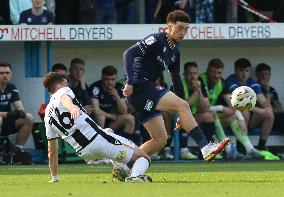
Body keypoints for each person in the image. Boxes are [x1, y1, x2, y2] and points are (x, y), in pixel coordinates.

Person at [122, 10, 229, 162]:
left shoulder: (175, 52)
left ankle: (124, 165)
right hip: (141, 85)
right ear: (169, 26)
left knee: (160, 140)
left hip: (146, 93)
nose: (183, 32)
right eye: (180, 28)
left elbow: (176, 79)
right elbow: (129, 54)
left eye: (186, 29)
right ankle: (206, 148)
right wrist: (130, 82)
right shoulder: (157, 39)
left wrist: (182, 111)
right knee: (181, 105)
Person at [43, 72, 152, 183]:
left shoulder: (47, 115)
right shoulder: (63, 91)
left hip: (84, 152)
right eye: (65, 83)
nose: (67, 85)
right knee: (143, 157)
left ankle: (120, 168)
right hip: (97, 140)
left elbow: (52, 151)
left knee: (109, 131)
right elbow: (65, 98)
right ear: (58, 86)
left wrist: (55, 177)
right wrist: (71, 108)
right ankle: (135, 177)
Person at [200, 58, 264, 159]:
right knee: (212, 115)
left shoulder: (222, 82)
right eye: (213, 72)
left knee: (233, 116)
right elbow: (203, 108)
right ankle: (228, 150)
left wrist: (241, 119)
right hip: (196, 116)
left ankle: (250, 149)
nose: (216, 75)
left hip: (211, 116)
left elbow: (231, 103)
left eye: (219, 73)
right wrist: (221, 107)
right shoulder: (200, 80)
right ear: (207, 70)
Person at [226, 58, 274, 151]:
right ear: (235, 70)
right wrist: (260, 110)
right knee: (244, 113)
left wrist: (267, 107)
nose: (244, 74)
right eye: (241, 71)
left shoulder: (252, 82)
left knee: (269, 115)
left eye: (247, 71)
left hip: (249, 121)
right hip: (232, 119)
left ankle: (261, 147)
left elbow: (262, 100)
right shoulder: (231, 80)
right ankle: (241, 147)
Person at [88, 65, 135, 141]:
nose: (110, 82)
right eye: (107, 79)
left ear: (116, 78)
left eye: (113, 79)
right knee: (101, 116)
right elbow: (96, 110)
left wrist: (117, 96)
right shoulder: (95, 87)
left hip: (111, 122)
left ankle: (125, 145)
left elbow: (124, 111)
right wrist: (112, 116)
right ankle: (100, 145)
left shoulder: (119, 88)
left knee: (130, 118)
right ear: (102, 78)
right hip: (96, 121)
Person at [0, 62, 34, 164]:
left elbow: (19, 107)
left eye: (7, 73)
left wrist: (21, 112)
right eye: (1, 73)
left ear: (11, 74)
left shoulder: (11, 87)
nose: (4, 75)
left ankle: (17, 151)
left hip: (6, 123)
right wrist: (9, 114)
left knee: (28, 117)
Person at [256, 63, 284, 133]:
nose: (264, 76)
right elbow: (266, 109)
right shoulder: (254, 88)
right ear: (257, 75)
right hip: (262, 118)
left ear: (270, 75)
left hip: (276, 116)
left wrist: (275, 109)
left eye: (266, 74)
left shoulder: (272, 90)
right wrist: (267, 91)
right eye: (261, 74)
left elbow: (279, 108)